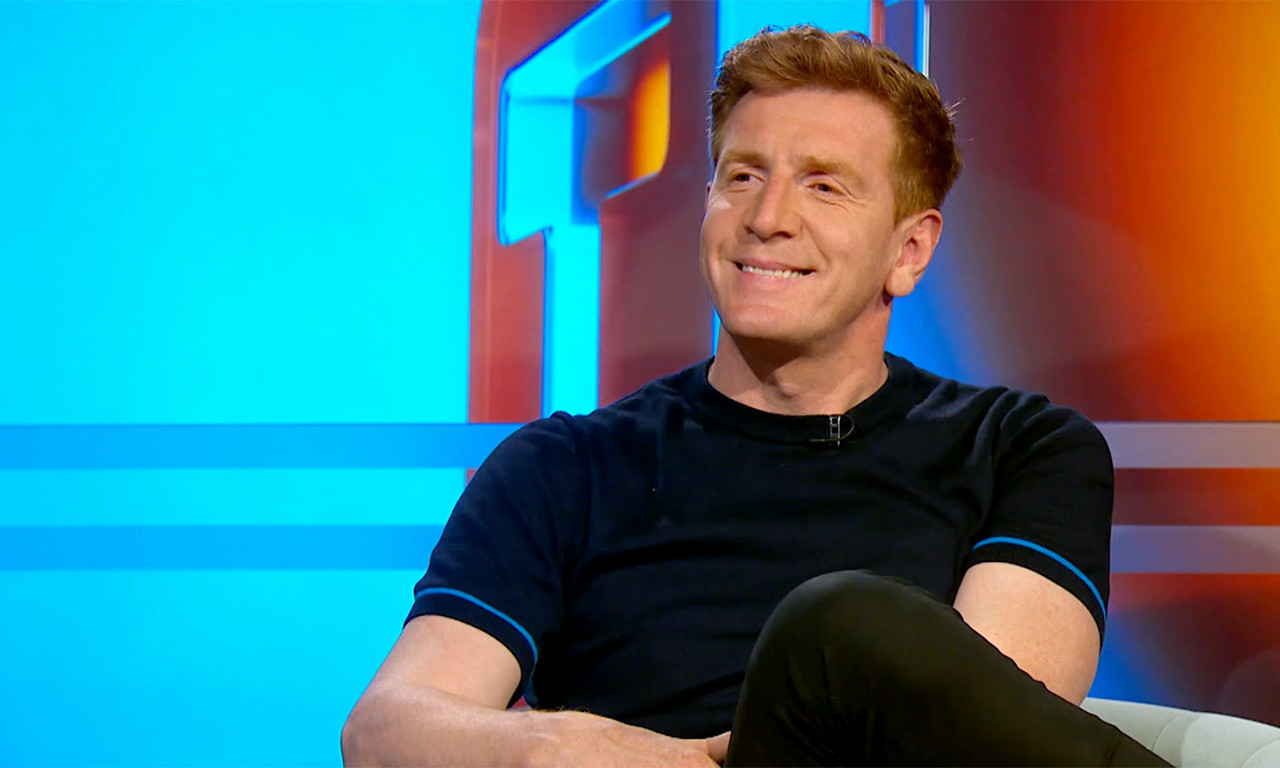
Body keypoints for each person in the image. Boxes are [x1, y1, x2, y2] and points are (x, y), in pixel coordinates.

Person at [341, 25, 1169, 766]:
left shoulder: (1022, 449)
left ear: (909, 251)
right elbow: (384, 730)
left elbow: (993, 732)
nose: (767, 217)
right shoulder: (563, 469)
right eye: (741, 175)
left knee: (842, 628)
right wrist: (554, 745)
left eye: (824, 186)